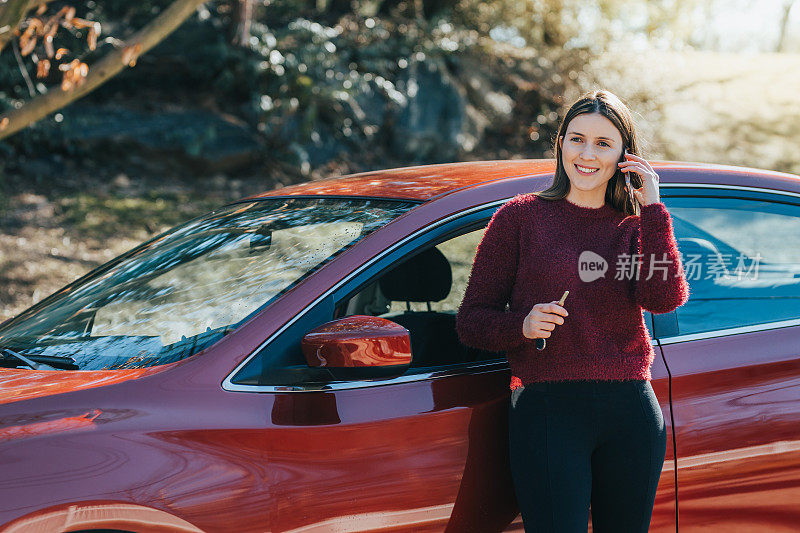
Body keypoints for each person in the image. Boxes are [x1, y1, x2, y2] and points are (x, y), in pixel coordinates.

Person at [455, 89, 690, 532]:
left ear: (625, 155)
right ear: (560, 142)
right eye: (577, 139)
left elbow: (664, 299)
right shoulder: (519, 219)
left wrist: (654, 209)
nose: (587, 154)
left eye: (604, 143)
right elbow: (472, 322)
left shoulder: (637, 226)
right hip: (547, 412)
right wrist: (521, 325)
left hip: (631, 411)